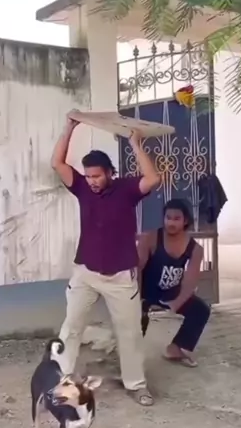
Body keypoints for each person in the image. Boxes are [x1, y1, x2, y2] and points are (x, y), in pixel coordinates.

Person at [51, 111, 160, 406]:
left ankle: (136, 384)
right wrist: (69, 127)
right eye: (88, 176)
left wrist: (136, 144)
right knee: (71, 327)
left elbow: (153, 178)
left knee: (129, 333)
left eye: (97, 176)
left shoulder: (126, 190)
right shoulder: (82, 188)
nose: (92, 181)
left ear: (110, 172)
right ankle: (59, 378)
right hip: (85, 273)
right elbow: (58, 163)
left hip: (120, 276)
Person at [138, 199, 210, 367]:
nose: (171, 223)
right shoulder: (150, 238)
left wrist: (176, 304)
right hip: (146, 292)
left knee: (201, 310)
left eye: (176, 219)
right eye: (168, 218)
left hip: (171, 293)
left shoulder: (195, 249)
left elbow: (191, 281)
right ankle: (129, 360)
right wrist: (137, 299)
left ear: (185, 221)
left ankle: (175, 349)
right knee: (136, 321)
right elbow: (137, 270)